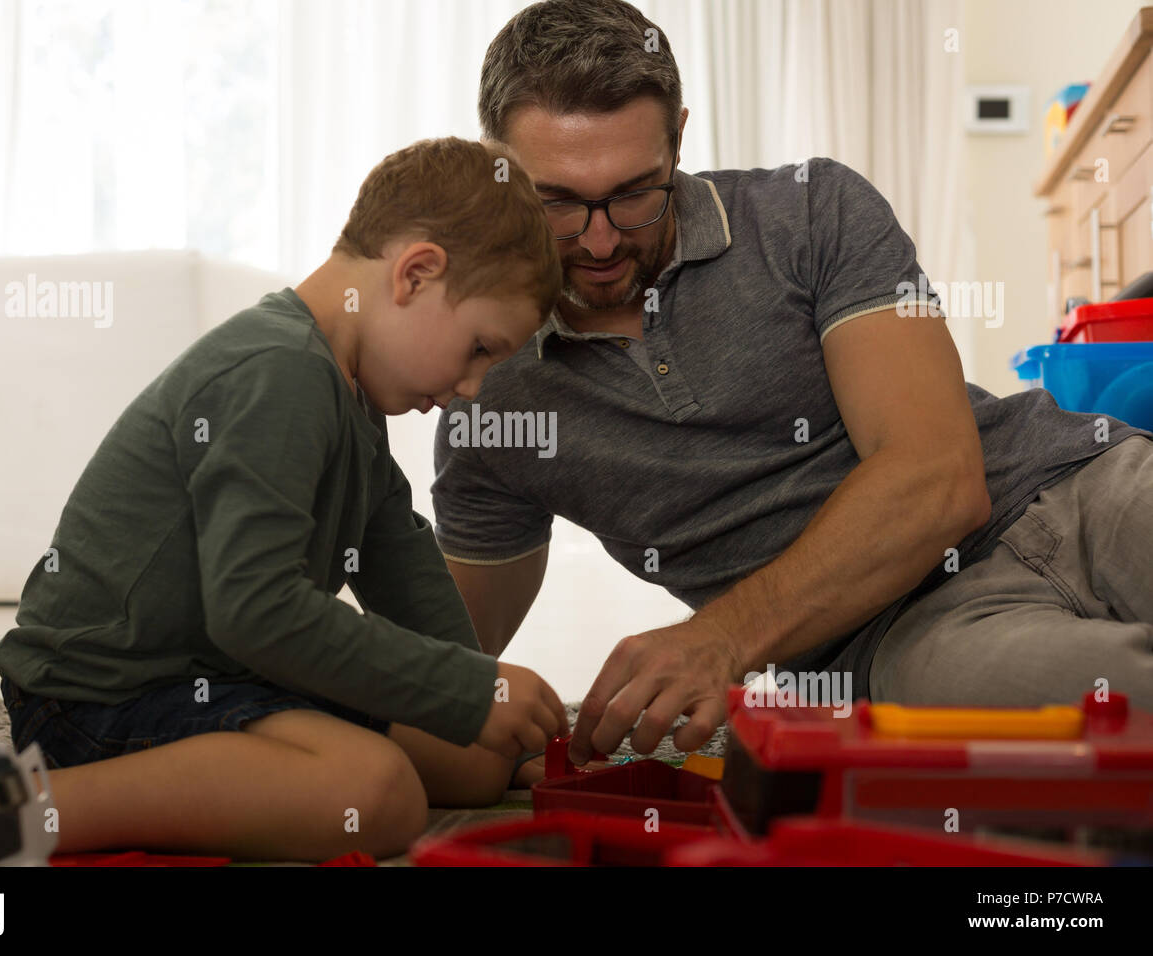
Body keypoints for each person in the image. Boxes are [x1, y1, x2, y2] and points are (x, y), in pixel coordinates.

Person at [434, 0, 1153, 781]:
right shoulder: (487, 391)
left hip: (1076, 486)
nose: (601, 241)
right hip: (906, 640)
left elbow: (938, 481)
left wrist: (721, 638)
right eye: (558, 203)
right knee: (1085, 725)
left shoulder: (813, 211)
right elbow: (441, 671)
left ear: (678, 137)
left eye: (636, 193)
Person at [0, 137, 570, 863]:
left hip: (216, 676)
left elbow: (398, 555)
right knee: (374, 794)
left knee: (476, 758)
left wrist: (481, 696)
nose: (473, 387)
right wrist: (464, 686)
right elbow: (254, 607)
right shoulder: (281, 371)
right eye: (480, 349)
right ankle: (22, 811)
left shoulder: (351, 390)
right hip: (98, 697)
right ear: (416, 274)